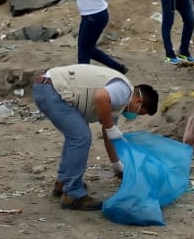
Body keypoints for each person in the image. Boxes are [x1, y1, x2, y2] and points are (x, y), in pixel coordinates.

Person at [33, 63, 158, 211]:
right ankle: (73, 194)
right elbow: (100, 97)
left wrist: (117, 164)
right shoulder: (124, 90)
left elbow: (108, 135)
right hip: (52, 90)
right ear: (138, 101)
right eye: (140, 112)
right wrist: (111, 128)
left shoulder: (116, 103)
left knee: (77, 136)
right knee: (81, 137)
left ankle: (64, 182)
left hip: (48, 88)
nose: (135, 115)